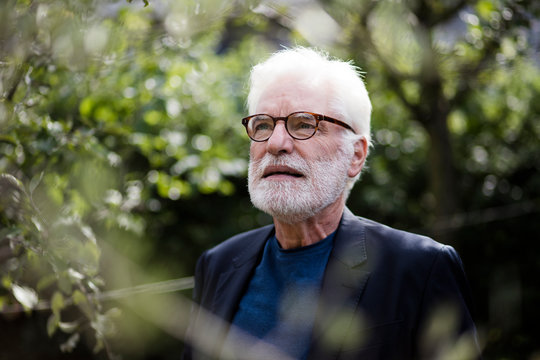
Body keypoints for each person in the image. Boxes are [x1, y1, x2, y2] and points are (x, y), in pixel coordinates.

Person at [182, 47, 480, 360]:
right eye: (263, 125)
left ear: (355, 155)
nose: (275, 143)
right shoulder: (217, 264)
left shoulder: (420, 268)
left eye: (304, 124)